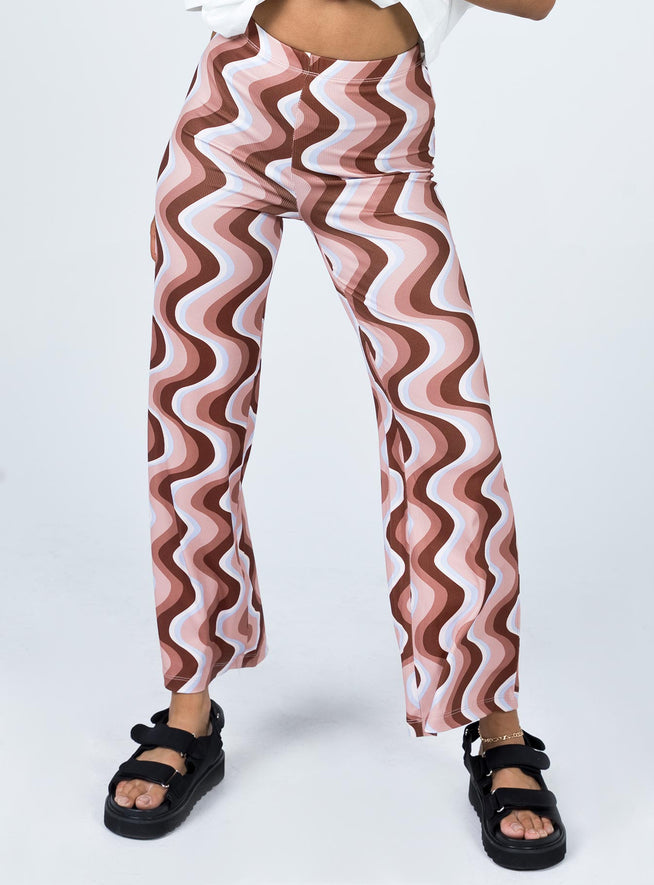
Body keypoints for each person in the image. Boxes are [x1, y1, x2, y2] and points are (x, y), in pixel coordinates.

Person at [104, 0, 566, 868]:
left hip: (381, 134)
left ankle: (496, 724)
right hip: (235, 107)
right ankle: (189, 709)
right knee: (195, 415)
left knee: (450, 434)